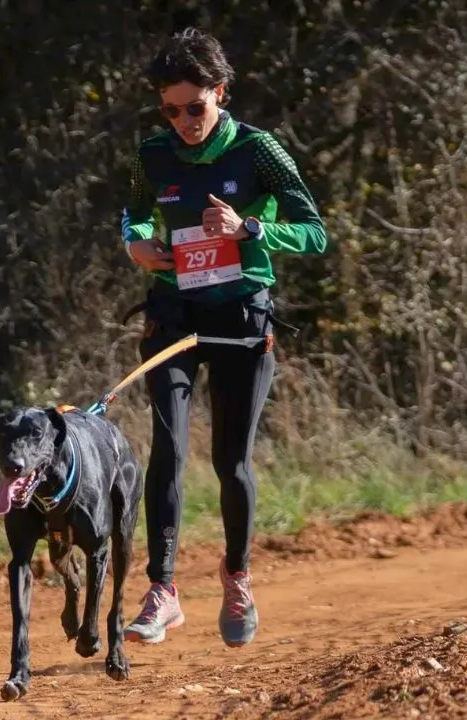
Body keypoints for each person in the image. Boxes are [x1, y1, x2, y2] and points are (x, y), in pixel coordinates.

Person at [118, 27, 329, 648]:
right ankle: (162, 590)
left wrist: (251, 228)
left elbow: (314, 232)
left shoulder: (259, 151)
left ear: (221, 94)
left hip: (241, 319)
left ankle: (236, 576)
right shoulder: (152, 154)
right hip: (174, 319)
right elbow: (133, 210)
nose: (183, 120)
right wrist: (134, 243)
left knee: (229, 462)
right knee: (168, 451)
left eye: (195, 106)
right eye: (170, 108)